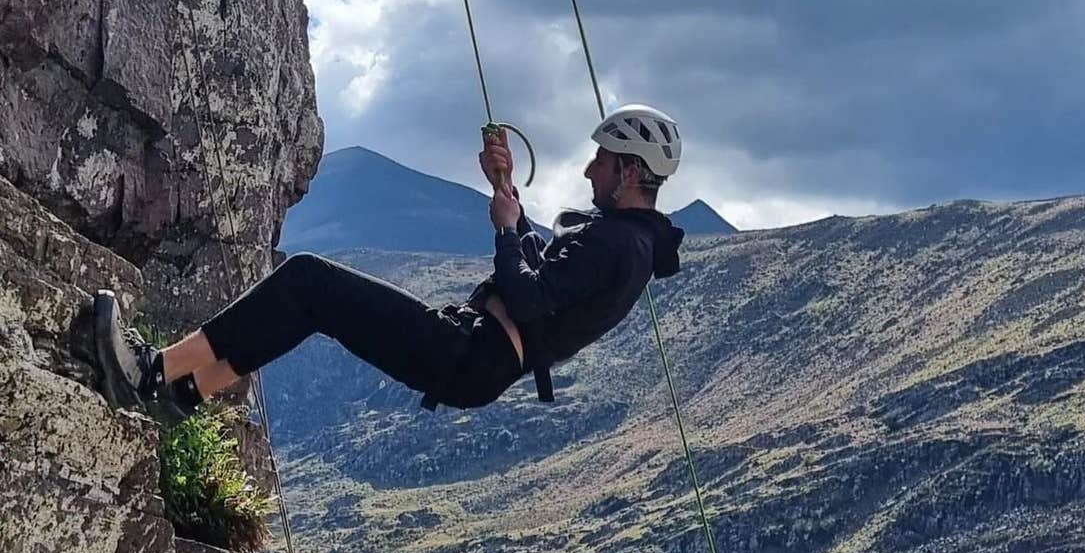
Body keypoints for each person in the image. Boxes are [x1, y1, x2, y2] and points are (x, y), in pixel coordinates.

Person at [94, 104, 686, 419]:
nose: (591, 170)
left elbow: (529, 297)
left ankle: (152, 372)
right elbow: (546, 283)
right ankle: (185, 391)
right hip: (474, 355)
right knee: (313, 302)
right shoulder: (627, 244)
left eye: (603, 162)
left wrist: (506, 232)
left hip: (475, 352)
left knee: (307, 280)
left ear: (630, 172)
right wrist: (505, 188)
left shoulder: (618, 244)